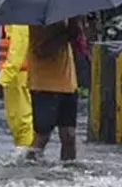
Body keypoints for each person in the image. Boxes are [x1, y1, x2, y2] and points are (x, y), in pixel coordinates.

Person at [26, 17, 85, 162]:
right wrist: (66, 34)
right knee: (42, 136)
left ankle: (69, 171)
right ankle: (29, 168)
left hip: (68, 82)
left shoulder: (67, 14)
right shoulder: (38, 18)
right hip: (44, 85)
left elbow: (77, 38)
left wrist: (76, 26)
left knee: (69, 135)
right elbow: (41, 50)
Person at [0, 0, 34, 148]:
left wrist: (3, 79)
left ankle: (28, 155)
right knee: (15, 118)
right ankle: (23, 151)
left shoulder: (20, 14)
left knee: (22, 118)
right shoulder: (14, 12)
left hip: (19, 75)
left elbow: (18, 50)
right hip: (14, 76)